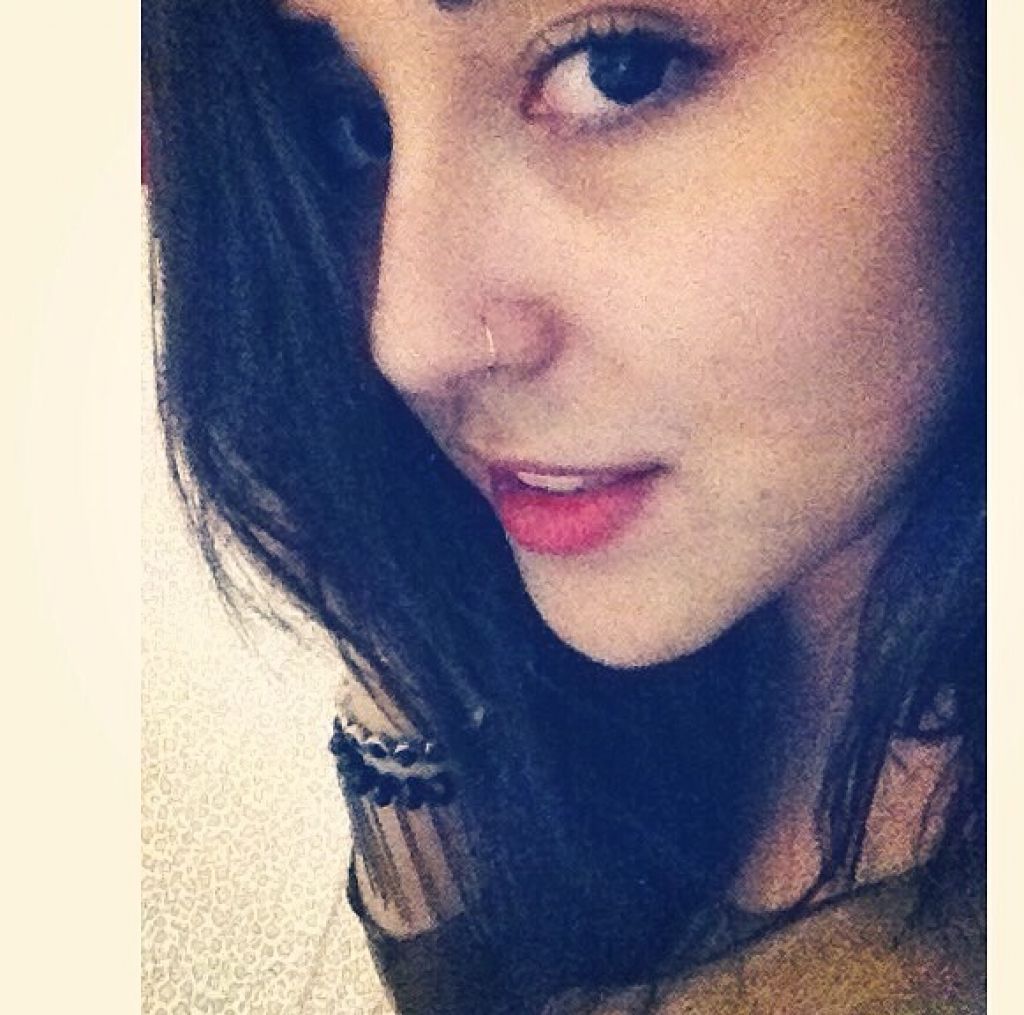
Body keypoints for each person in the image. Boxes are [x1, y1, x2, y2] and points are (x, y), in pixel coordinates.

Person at [142, 0, 985, 1011]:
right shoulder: (674, 657)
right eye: (355, 126)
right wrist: (391, 621)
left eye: (617, 69)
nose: (409, 342)